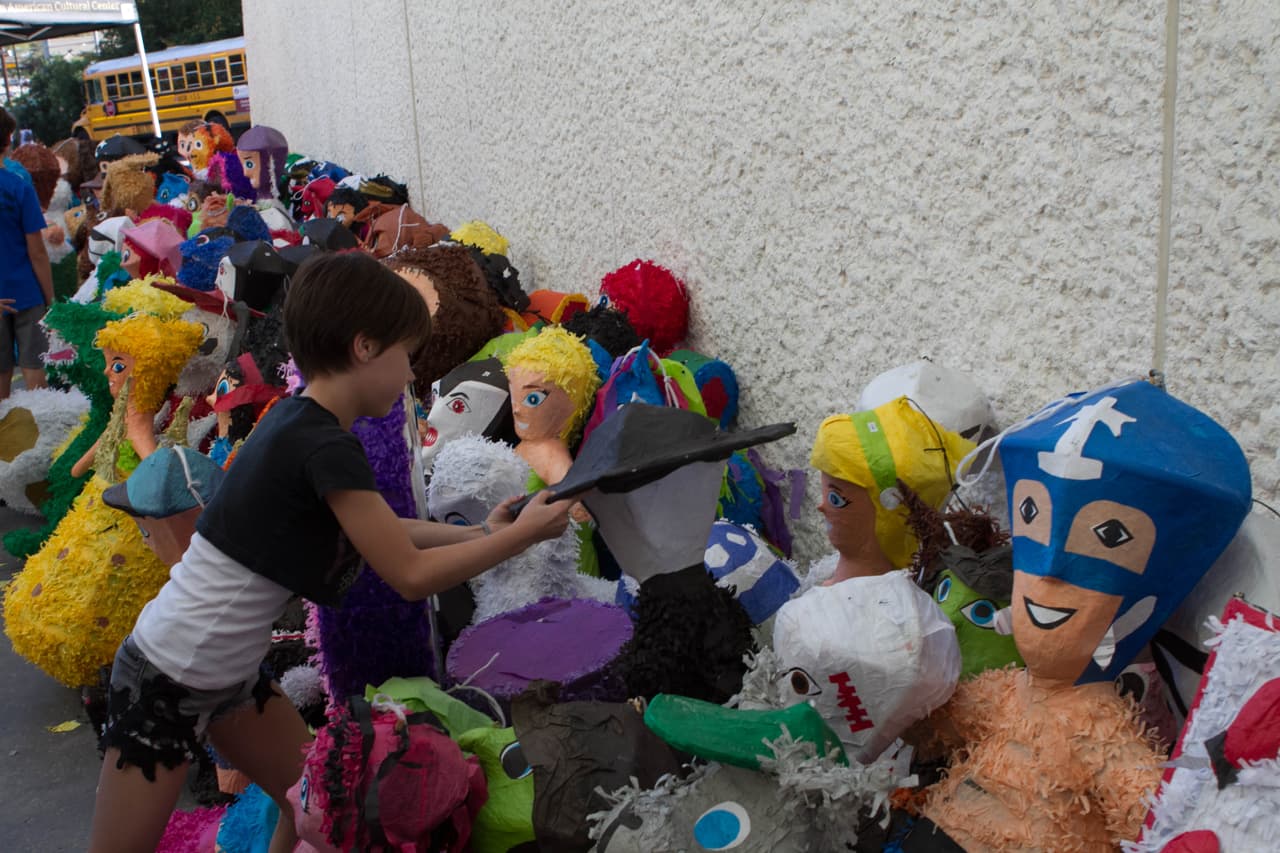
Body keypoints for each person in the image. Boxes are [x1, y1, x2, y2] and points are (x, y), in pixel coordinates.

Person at [86, 251, 575, 853]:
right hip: (167, 675)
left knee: (318, 806)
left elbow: (386, 532)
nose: (410, 378)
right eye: (406, 357)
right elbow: (410, 574)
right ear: (366, 347)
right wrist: (520, 537)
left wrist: (486, 533)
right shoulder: (323, 444)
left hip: (230, 677)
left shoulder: (299, 422)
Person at [0, 107, 53, 399]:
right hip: (26, 292)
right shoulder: (18, 187)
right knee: (35, 375)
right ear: (9, 140)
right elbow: (37, 253)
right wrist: (50, 298)